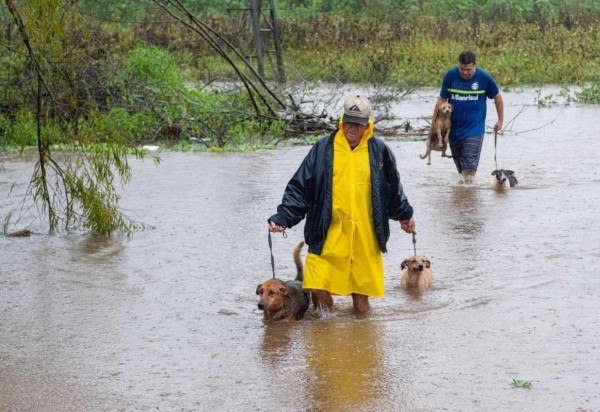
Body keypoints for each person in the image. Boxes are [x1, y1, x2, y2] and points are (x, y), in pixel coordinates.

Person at [268, 95, 416, 314]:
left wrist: (405, 215)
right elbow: (300, 187)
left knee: (361, 303)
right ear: (341, 120)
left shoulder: (379, 151)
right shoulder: (323, 149)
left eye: (358, 123)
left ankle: (360, 339)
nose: (352, 128)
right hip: (328, 232)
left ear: (368, 124)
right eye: (348, 121)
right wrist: (283, 217)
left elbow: (392, 188)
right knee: (316, 283)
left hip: (365, 236)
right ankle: (329, 324)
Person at [432, 50, 504, 182]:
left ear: (475, 65)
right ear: (459, 65)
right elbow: (441, 99)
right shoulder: (450, 76)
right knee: (461, 171)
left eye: (469, 69)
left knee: (469, 168)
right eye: (462, 69)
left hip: (475, 129)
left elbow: (497, 96)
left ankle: (469, 198)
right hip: (453, 130)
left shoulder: (484, 77)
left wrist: (500, 120)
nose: (465, 72)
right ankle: (463, 199)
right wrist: (434, 125)